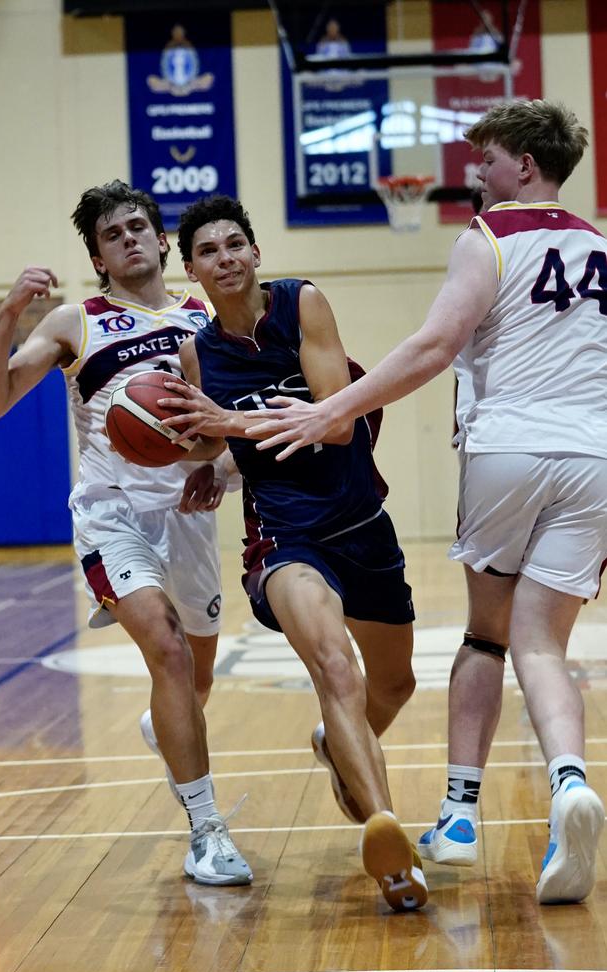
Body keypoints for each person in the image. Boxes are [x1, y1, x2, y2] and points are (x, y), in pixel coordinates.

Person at [244, 98, 607, 905]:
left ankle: (460, 816)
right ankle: (572, 784)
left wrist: (334, 408)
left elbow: (434, 346)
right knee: (543, 644)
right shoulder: (602, 245)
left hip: (512, 445)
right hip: (597, 456)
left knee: (487, 634)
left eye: (488, 158)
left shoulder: (490, 239)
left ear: (523, 163)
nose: (476, 172)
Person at [0, 179, 252, 888]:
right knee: (168, 654)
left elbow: (237, 423)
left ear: (162, 240)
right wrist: (7, 314)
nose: (127, 238)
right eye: (111, 234)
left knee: (197, 674)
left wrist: (221, 470)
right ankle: (207, 831)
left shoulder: (207, 315)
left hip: (188, 517)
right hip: (112, 515)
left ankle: (172, 727)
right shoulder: (76, 322)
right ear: (98, 254)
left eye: (137, 227)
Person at [154, 194, 428, 914]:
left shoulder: (303, 304)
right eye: (209, 251)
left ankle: (337, 750)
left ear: (256, 253)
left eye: (236, 244)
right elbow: (215, 437)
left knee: (393, 687)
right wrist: (204, 457)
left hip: (360, 521)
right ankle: (388, 842)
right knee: (335, 668)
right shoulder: (196, 353)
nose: (226, 258)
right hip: (284, 537)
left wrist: (226, 424)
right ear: (193, 270)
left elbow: (335, 423)